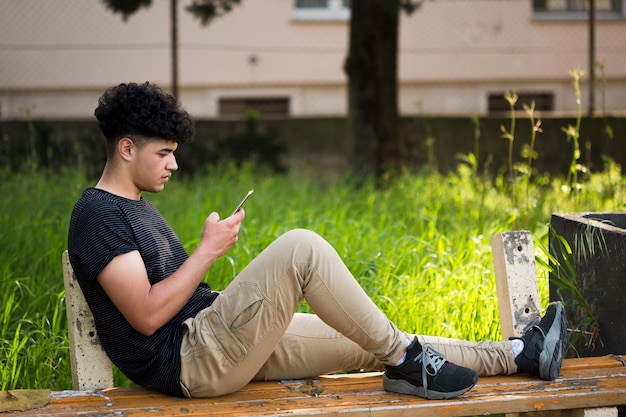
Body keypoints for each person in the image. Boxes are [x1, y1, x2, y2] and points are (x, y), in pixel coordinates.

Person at [67, 82, 567, 400]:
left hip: (215, 340)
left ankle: (521, 354)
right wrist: (208, 250)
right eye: (164, 153)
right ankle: (407, 360)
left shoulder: (135, 208)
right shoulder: (97, 214)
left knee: (367, 337)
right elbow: (149, 316)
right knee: (301, 246)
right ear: (126, 148)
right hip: (191, 360)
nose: (174, 164)